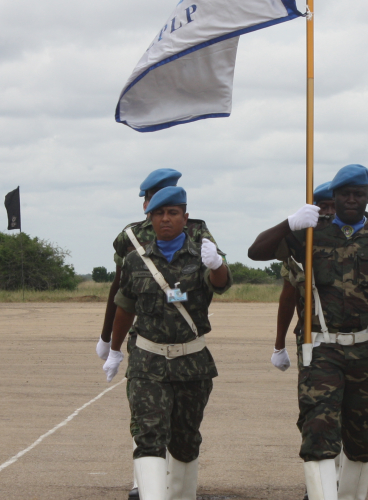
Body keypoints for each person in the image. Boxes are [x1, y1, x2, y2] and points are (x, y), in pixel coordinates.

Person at [247, 164, 368, 500]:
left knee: (361, 437)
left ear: (367, 198)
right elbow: (256, 251)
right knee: (318, 430)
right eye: (345, 194)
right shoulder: (311, 234)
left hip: (367, 350)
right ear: (334, 197)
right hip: (322, 348)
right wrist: (289, 224)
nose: (351, 199)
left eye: (358, 194)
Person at [102, 186, 231, 500]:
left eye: (173, 213)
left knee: (186, 441)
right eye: (159, 213)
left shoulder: (202, 254)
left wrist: (216, 265)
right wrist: (114, 350)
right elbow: (124, 306)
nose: (165, 218)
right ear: (150, 218)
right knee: (148, 437)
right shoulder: (135, 262)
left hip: (192, 365)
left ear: (185, 218)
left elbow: (222, 284)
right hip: (148, 363)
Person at [270, 181, 336, 372]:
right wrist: (279, 345)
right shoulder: (301, 245)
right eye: (324, 207)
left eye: (334, 206)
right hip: (313, 336)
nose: (330, 212)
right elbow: (288, 298)